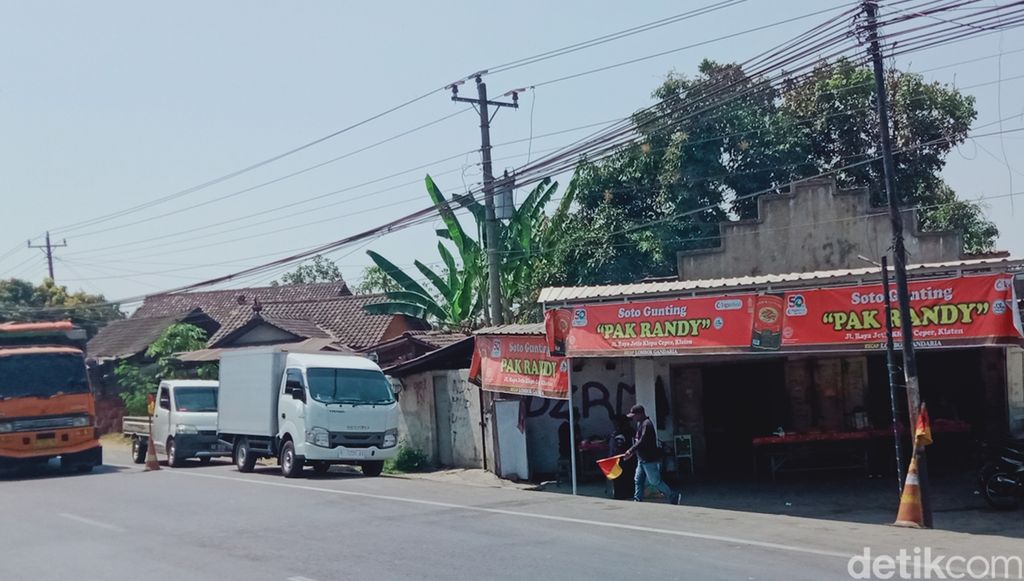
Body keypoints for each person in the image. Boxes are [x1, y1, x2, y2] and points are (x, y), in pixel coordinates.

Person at [623, 404, 681, 504]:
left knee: (655, 481)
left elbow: (642, 441)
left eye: (634, 415)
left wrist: (630, 450)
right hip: (641, 459)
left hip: (649, 459)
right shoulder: (641, 424)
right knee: (638, 480)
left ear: (640, 414)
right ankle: (637, 499)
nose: (633, 418)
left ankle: (673, 496)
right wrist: (634, 452)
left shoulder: (647, 424)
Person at [608, 414, 636, 500]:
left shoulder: (622, 433)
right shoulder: (629, 431)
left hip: (622, 460)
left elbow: (618, 448)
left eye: (615, 423)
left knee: (622, 480)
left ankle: (622, 496)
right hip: (625, 460)